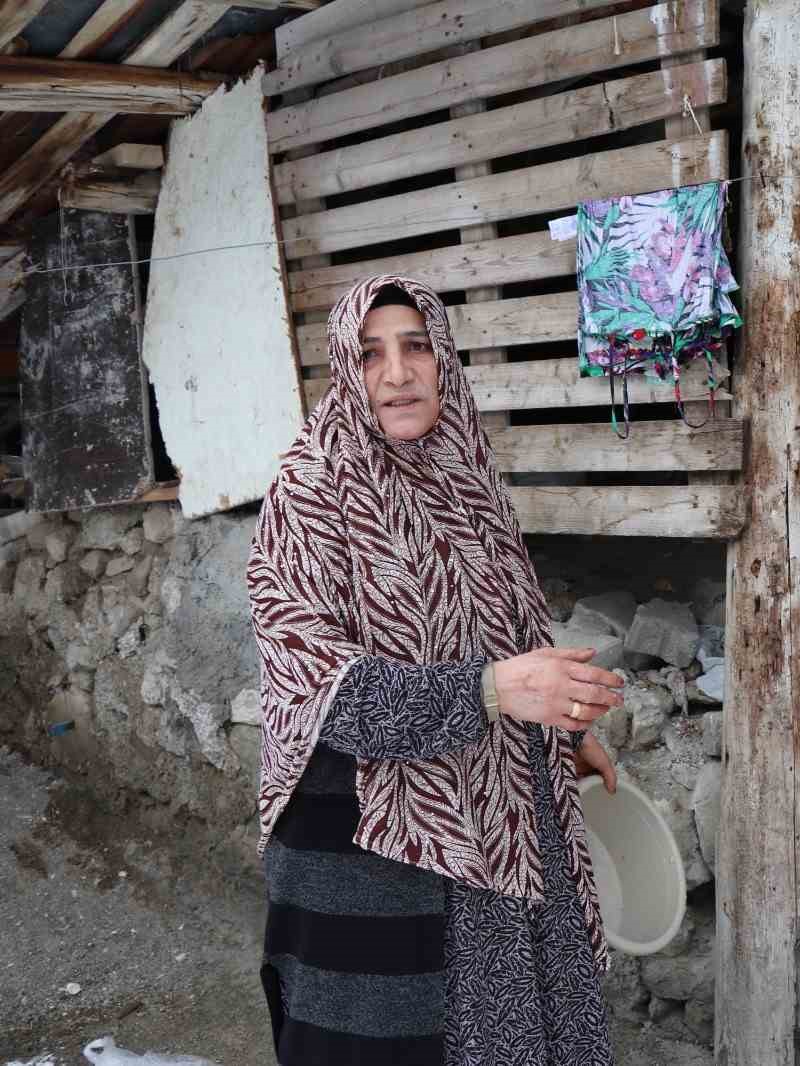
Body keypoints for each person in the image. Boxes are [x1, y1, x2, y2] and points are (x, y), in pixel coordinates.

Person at [247, 274, 625, 1065]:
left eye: (416, 345)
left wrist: (555, 736)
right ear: (345, 370)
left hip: (503, 813)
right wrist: (499, 690)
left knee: (522, 1028)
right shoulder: (309, 494)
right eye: (371, 352)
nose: (397, 372)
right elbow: (329, 696)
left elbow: (505, 627)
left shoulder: (465, 472)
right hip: (381, 841)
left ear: (444, 359)